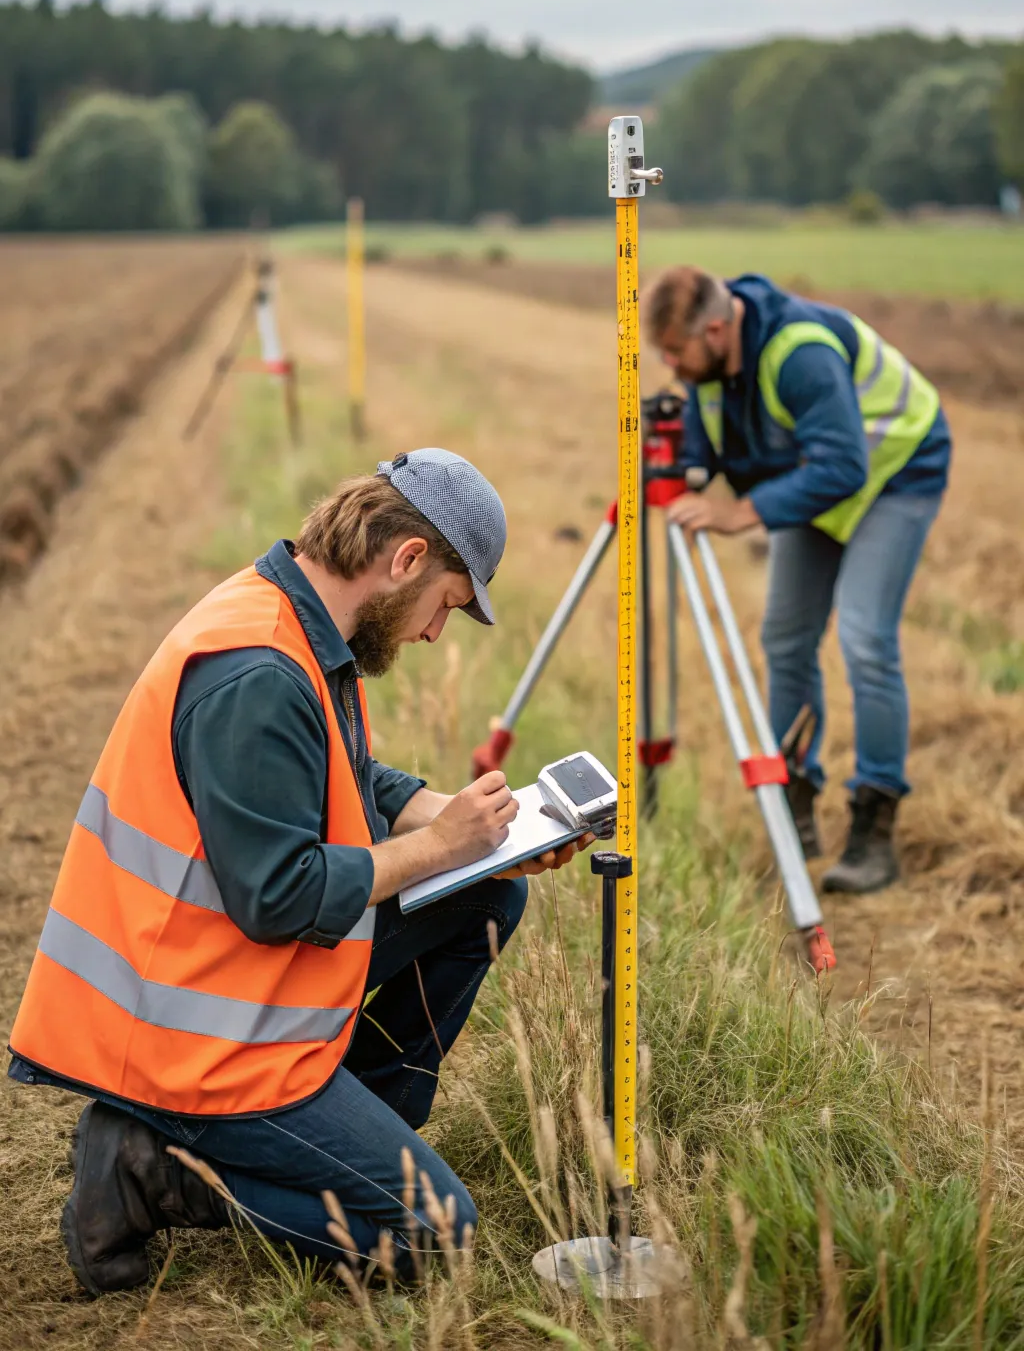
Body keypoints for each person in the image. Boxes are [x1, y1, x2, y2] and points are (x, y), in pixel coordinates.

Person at [7, 448, 587, 1296]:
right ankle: (151, 1165)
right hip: (192, 1030)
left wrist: (466, 828)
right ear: (409, 559)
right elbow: (280, 897)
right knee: (434, 1233)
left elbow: (342, 780)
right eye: (445, 608)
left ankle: (353, 1137)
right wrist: (436, 849)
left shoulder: (295, 618)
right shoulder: (258, 673)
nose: (433, 632)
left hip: (225, 977)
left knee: (491, 890)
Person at [643, 268, 951, 894]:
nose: (671, 366)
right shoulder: (708, 367)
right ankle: (795, 808)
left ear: (717, 328)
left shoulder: (800, 351)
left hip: (896, 470)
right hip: (818, 480)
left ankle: (874, 831)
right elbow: (708, 444)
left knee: (865, 638)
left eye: (677, 352)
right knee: (785, 636)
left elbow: (843, 464)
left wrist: (741, 514)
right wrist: (684, 468)